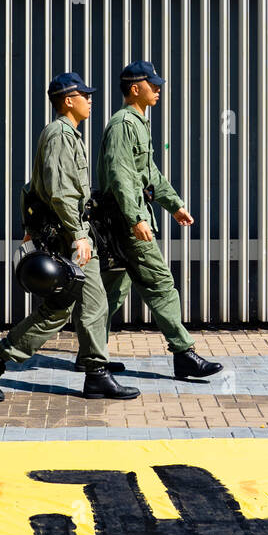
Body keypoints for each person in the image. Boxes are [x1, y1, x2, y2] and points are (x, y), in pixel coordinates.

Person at [0, 73, 138, 402]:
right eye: (84, 95)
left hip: (69, 231)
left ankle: (89, 373)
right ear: (67, 100)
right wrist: (79, 236)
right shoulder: (59, 134)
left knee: (71, 308)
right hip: (68, 235)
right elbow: (61, 193)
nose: (90, 100)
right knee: (81, 306)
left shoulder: (68, 135)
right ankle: (89, 373)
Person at [93, 61, 222, 381]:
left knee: (110, 294)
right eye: (153, 84)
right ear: (135, 89)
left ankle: (91, 357)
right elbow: (121, 175)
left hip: (126, 220)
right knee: (161, 285)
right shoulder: (124, 123)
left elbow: (148, 175)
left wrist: (174, 205)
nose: (159, 88)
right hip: (128, 223)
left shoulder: (138, 122)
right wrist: (137, 218)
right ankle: (184, 353)